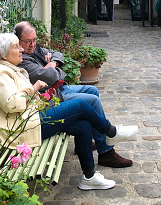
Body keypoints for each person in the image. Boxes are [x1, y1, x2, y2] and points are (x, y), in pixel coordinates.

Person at [0, 33, 138, 190]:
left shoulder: (9, 69)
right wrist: (34, 88)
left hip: (33, 116)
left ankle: (89, 177)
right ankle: (111, 132)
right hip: (23, 126)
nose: (21, 50)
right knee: (80, 105)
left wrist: (40, 96)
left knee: (83, 125)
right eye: (16, 47)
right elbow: (12, 105)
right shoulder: (0, 72)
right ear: (3, 54)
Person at [13, 21, 133, 168]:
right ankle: (106, 152)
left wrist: (53, 64)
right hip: (52, 97)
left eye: (35, 40)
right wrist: (53, 70)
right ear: (17, 41)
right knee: (92, 101)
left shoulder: (35, 49)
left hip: (60, 89)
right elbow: (50, 77)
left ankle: (86, 142)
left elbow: (58, 55)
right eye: (27, 42)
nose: (32, 44)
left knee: (93, 91)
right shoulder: (21, 59)